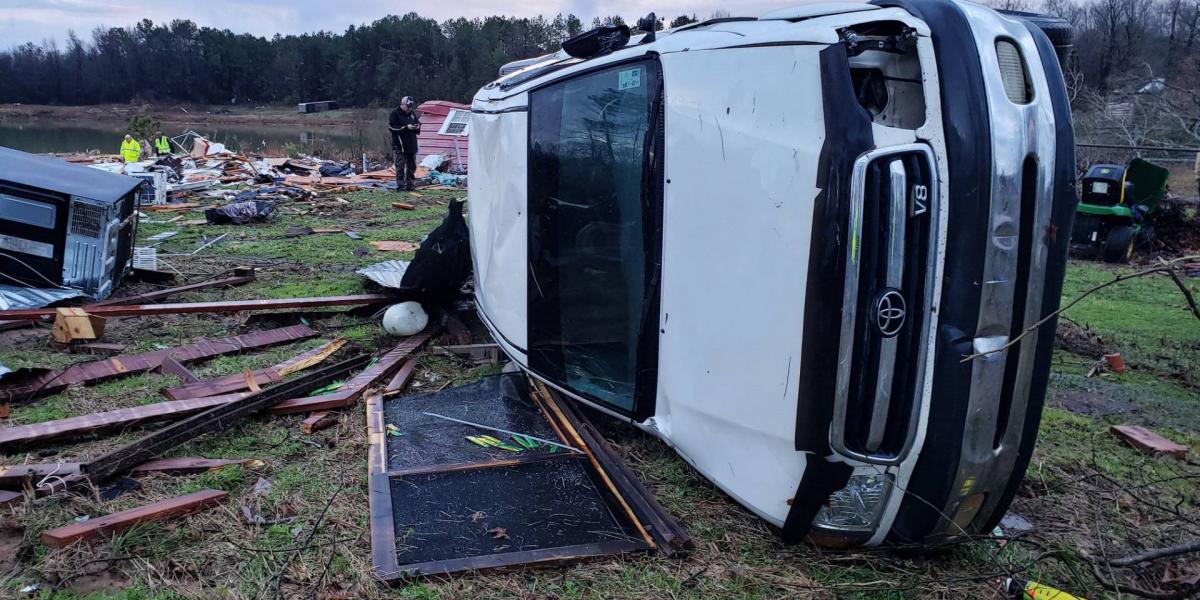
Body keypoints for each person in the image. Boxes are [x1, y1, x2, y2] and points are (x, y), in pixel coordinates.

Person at [388, 96, 421, 191]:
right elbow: (392, 128)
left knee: (412, 166)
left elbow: (417, 122)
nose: (410, 109)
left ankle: (410, 185)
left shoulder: (412, 113)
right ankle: (400, 186)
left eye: (411, 107)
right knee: (400, 167)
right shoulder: (395, 113)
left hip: (412, 144)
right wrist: (406, 128)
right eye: (408, 106)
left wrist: (417, 126)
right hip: (400, 145)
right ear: (402, 104)